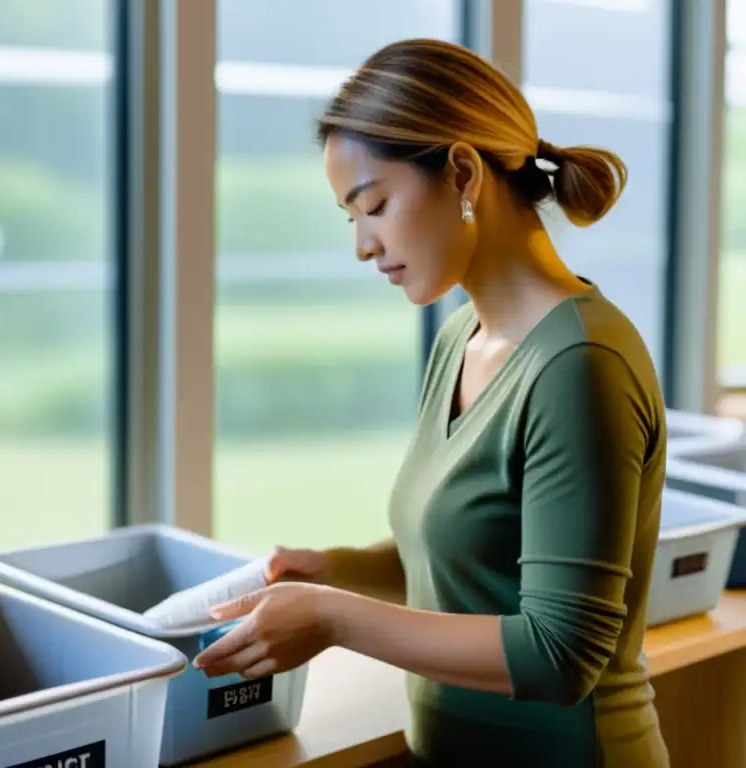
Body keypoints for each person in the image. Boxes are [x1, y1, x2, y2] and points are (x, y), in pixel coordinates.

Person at [192, 38, 670, 767]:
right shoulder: (460, 338)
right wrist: (332, 570)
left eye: (374, 205)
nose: (362, 245)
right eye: (349, 217)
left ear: (461, 173)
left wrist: (333, 619)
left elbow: (558, 654)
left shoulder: (580, 366)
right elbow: (476, 560)